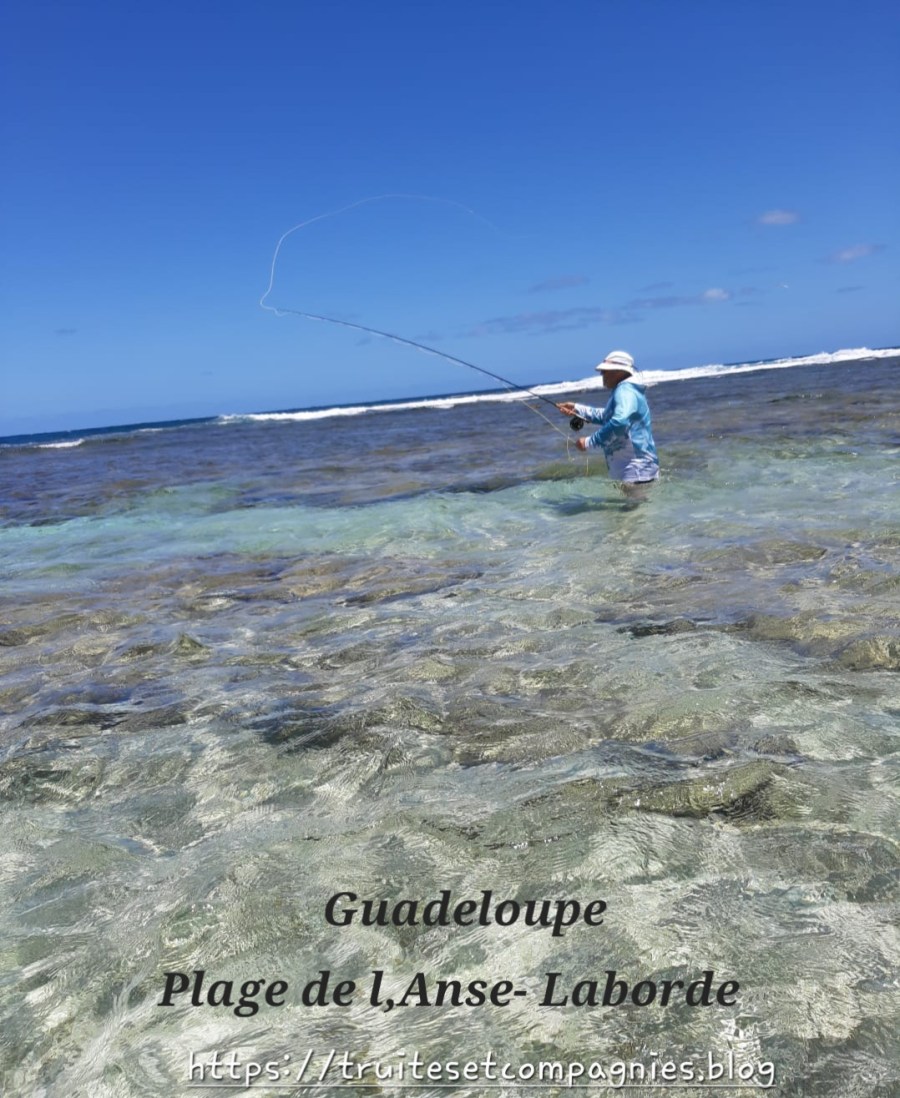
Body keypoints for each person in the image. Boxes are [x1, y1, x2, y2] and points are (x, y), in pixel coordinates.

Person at [556, 350, 659, 500]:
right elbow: (608, 416)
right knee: (637, 512)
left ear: (618, 372)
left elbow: (619, 422)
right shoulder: (624, 390)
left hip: (635, 471)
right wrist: (578, 409)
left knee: (634, 512)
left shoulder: (625, 391)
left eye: (605, 371)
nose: (601, 375)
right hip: (635, 472)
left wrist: (590, 442)